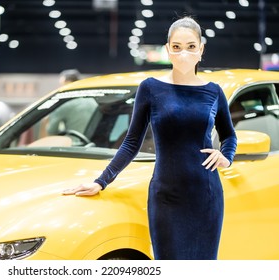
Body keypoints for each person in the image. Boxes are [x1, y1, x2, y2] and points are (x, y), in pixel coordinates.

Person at [63, 16, 237, 260]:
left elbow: (229, 135)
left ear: (201, 49)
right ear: (167, 49)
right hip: (166, 198)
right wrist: (101, 181)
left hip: (205, 196)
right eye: (176, 47)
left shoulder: (213, 91)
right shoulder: (151, 88)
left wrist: (226, 157)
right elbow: (132, 142)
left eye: (190, 46)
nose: (183, 53)